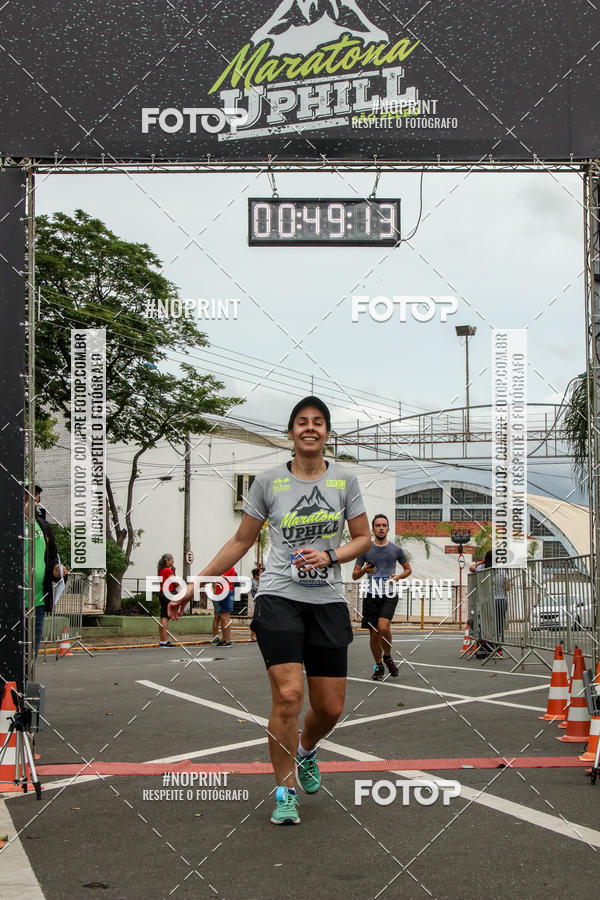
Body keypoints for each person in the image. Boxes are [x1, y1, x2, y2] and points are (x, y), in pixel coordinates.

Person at [169, 396, 371, 826]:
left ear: (327, 433)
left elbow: (363, 539)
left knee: (330, 707)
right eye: (302, 422)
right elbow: (241, 541)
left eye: (318, 422)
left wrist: (330, 555)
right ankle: (285, 791)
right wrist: (196, 583)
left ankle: (306, 750)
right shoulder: (267, 482)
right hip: (279, 597)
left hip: (327, 601)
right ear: (291, 432)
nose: (310, 428)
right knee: (289, 695)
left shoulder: (344, 480)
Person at [352, 514, 411, 680]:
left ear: (388, 528)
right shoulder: (365, 549)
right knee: (374, 634)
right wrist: (364, 570)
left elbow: (408, 569)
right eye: (378, 525)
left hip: (389, 594)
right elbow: (355, 575)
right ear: (373, 529)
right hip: (371, 594)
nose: (381, 528)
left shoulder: (396, 550)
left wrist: (398, 577)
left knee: (383, 628)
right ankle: (378, 665)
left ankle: (388, 656)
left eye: (384, 525)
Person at [24, 489, 66, 657]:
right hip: (12, 602)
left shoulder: (43, 526)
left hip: (38, 602)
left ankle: (28, 675)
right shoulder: (8, 523)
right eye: (26, 495)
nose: (31, 499)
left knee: (31, 654)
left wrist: (56, 569)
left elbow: (52, 556)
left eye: (34, 496)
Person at [210, 567, 236, 647]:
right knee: (223, 618)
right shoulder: (227, 567)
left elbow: (217, 579)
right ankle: (225, 640)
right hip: (223, 592)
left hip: (223, 592)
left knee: (223, 617)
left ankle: (225, 640)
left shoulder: (228, 568)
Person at [157, 554, 178, 647]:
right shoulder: (167, 570)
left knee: (162, 617)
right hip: (168, 594)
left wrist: (173, 571)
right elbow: (176, 583)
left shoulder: (161, 570)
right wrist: (174, 573)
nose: (173, 561)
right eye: (172, 560)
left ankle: (162, 640)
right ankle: (164, 641)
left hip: (162, 593)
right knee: (165, 617)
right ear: (167, 561)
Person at [249, 567, 261, 642]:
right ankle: (253, 636)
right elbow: (258, 589)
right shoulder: (253, 582)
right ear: (256, 575)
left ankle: (256, 635)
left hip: (260, 601)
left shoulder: (258, 581)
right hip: (257, 601)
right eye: (260, 574)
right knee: (256, 618)